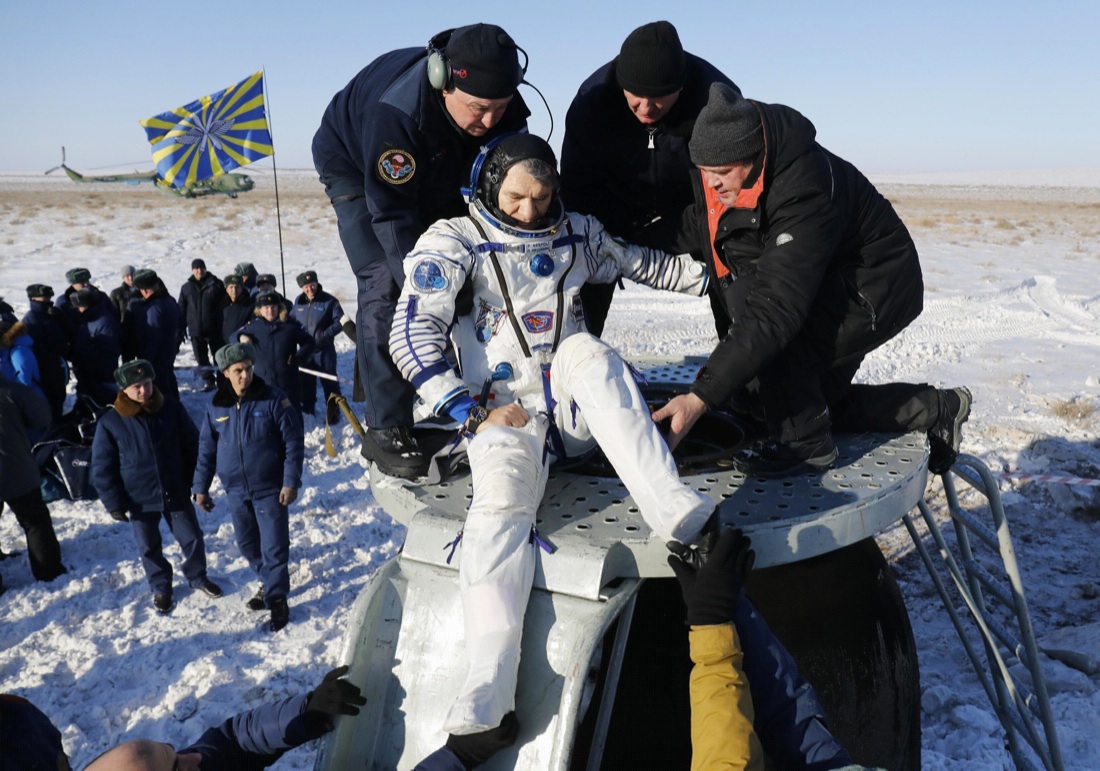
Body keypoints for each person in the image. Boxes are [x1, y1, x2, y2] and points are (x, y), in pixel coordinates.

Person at [390, 133, 715, 744]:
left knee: (589, 351)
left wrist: (718, 277)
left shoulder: (577, 233)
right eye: (516, 198)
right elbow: (412, 333)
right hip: (499, 414)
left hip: (569, 411)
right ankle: (487, 683)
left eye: (541, 199)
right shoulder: (455, 242)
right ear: (488, 185)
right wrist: (468, 412)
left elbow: (641, 262)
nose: (529, 213)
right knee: (499, 507)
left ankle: (671, 508)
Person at [653, 84, 972, 476]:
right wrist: (622, 236)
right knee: (807, 405)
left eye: (721, 173)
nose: (713, 184)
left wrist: (700, 396)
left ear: (752, 154)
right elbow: (697, 226)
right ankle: (937, 410)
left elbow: (776, 311)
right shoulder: (736, 168)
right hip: (828, 276)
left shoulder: (803, 186)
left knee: (782, 347)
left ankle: (806, 450)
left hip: (876, 283)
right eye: (704, 172)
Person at [312, 22, 531, 479]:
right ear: (442, 80)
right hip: (357, 169)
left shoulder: (502, 109)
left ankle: (477, 387)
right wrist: (433, 283)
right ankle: (385, 426)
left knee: (481, 267)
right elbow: (392, 217)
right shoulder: (398, 115)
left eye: (500, 108)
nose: (490, 121)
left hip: (439, 166)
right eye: (478, 108)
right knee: (390, 286)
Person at [561, 20, 739, 337]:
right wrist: (601, 241)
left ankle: (744, 373)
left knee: (734, 269)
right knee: (581, 273)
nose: (646, 107)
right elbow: (578, 191)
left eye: (659, 97)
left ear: (681, 87)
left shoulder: (716, 102)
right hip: (613, 208)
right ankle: (574, 361)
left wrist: (662, 237)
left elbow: (727, 197)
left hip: (692, 209)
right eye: (636, 96)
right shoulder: (593, 102)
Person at [91, 359, 223, 614]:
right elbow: (102, 468)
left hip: (174, 489)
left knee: (192, 538)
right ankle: (161, 587)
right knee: (148, 546)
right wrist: (113, 502)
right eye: (137, 387)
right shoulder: (110, 422)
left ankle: (198, 576)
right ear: (124, 390)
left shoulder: (171, 409)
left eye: (148, 384)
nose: (144, 391)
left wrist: (196, 484)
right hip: (138, 498)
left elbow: (193, 447)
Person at [192, 343, 304, 632]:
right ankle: (268, 581)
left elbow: (293, 443)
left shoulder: (274, 400)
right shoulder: (216, 405)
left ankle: (277, 597)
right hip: (236, 491)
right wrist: (200, 487)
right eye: (238, 371)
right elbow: (207, 449)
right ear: (226, 373)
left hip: (270, 488)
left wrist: (290, 481)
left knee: (275, 546)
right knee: (247, 544)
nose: (245, 375)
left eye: (249, 369)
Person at [82, 666, 365, 770]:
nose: (194, 758)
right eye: (177, 768)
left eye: (172, 750)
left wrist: (305, 712)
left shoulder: (198, 761)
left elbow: (234, 740)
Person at [0, 373, 67, 588]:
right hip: (15, 467)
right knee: (35, 520)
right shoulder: (11, 390)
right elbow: (42, 416)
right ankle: (49, 571)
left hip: (14, 466)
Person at [236, 292, 315, 413]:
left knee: (291, 418)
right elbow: (233, 336)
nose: (270, 310)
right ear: (260, 310)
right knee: (267, 420)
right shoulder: (253, 327)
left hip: (288, 384)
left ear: (279, 308)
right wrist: (241, 336)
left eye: (273, 307)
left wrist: (300, 357)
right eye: (266, 308)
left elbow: (309, 342)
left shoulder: (290, 326)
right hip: (264, 384)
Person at [290, 270, 348, 423]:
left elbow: (340, 322)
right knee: (306, 383)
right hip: (306, 351)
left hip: (324, 350)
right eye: (306, 286)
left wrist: (324, 335)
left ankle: (334, 414)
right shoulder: (299, 302)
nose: (310, 289)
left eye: (312, 284)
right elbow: (291, 319)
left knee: (329, 382)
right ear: (302, 288)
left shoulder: (330, 301)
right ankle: (308, 410)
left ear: (317, 283)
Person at [130, 269, 182, 401]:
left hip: (156, 359)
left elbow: (152, 338)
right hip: (169, 352)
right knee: (169, 383)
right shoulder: (169, 300)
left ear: (145, 290)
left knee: (161, 391)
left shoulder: (153, 309)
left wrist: (145, 360)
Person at [22, 284, 70, 421]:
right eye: (44, 297)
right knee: (50, 407)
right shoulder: (31, 319)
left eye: (49, 297)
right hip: (45, 371)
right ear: (33, 298)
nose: (48, 299)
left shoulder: (50, 315)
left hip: (57, 367)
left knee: (58, 402)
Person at [177, 258, 226, 392]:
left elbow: (226, 305)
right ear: (192, 270)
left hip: (215, 329)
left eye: (201, 268)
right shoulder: (186, 288)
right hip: (195, 330)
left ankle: (223, 381)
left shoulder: (216, 284)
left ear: (205, 268)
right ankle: (209, 381)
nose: (199, 271)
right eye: (196, 268)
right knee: (201, 357)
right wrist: (180, 329)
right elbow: (181, 309)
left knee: (219, 356)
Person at [69, 286, 122, 408]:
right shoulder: (90, 319)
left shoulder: (104, 322)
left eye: (79, 307)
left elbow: (109, 352)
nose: (77, 310)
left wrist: (84, 357)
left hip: (100, 378)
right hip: (88, 376)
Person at [220, 273, 256, 347]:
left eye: (237, 287)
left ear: (242, 288)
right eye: (231, 287)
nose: (234, 290)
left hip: (241, 346)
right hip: (223, 346)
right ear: (226, 289)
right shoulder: (222, 305)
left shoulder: (249, 305)